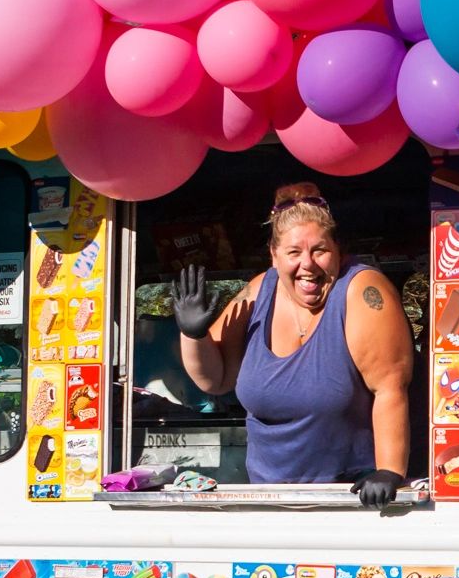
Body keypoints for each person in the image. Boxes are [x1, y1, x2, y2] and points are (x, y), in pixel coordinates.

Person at [174, 183, 415, 504]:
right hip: (268, 497)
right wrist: (193, 334)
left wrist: (390, 471)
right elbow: (214, 380)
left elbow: (389, 387)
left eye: (319, 250)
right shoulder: (259, 290)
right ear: (273, 256)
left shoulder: (361, 290)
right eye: (294, 252)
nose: (308, 264)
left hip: (350, 496)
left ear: (338, 251)